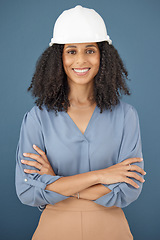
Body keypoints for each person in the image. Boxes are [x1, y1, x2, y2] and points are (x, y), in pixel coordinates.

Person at [15, 5, 146, 240]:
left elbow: (129, 188)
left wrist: (56, 182)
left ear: (103, 56)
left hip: (111, 231)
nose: (81, 60)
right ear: (59, 57)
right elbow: (26, 189)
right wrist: (101, 176)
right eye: (72, 51)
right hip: (53, 231)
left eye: (90, 50)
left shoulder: (126, 116)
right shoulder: (38, 117)